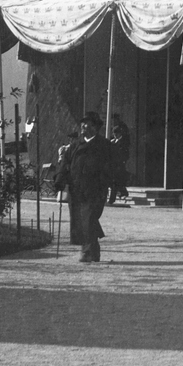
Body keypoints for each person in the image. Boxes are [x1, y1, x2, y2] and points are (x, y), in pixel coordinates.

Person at [54, 111, 116, 262]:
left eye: (87, 123)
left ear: (95, 127)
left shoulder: (104, 146)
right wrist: (60, 179)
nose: (83, 125)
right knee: (81, 221)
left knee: (88, 219)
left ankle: (87, 251)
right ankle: (93, 250)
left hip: (95, 190)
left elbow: (114, 168)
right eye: (82, 122)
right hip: (77, 189)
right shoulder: (75, 145)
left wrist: (116, 187)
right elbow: (65, 164)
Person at [108, 114, 130, 205]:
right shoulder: (114, 142)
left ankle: (112, 199)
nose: (115, 136)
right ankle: (123, 192)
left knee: (115, 182)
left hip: (119, 165)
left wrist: (122, 161)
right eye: (114, 134)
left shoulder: (123, 142)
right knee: (116, 182)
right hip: (114, 165)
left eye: (116, 134)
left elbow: (124, 153)